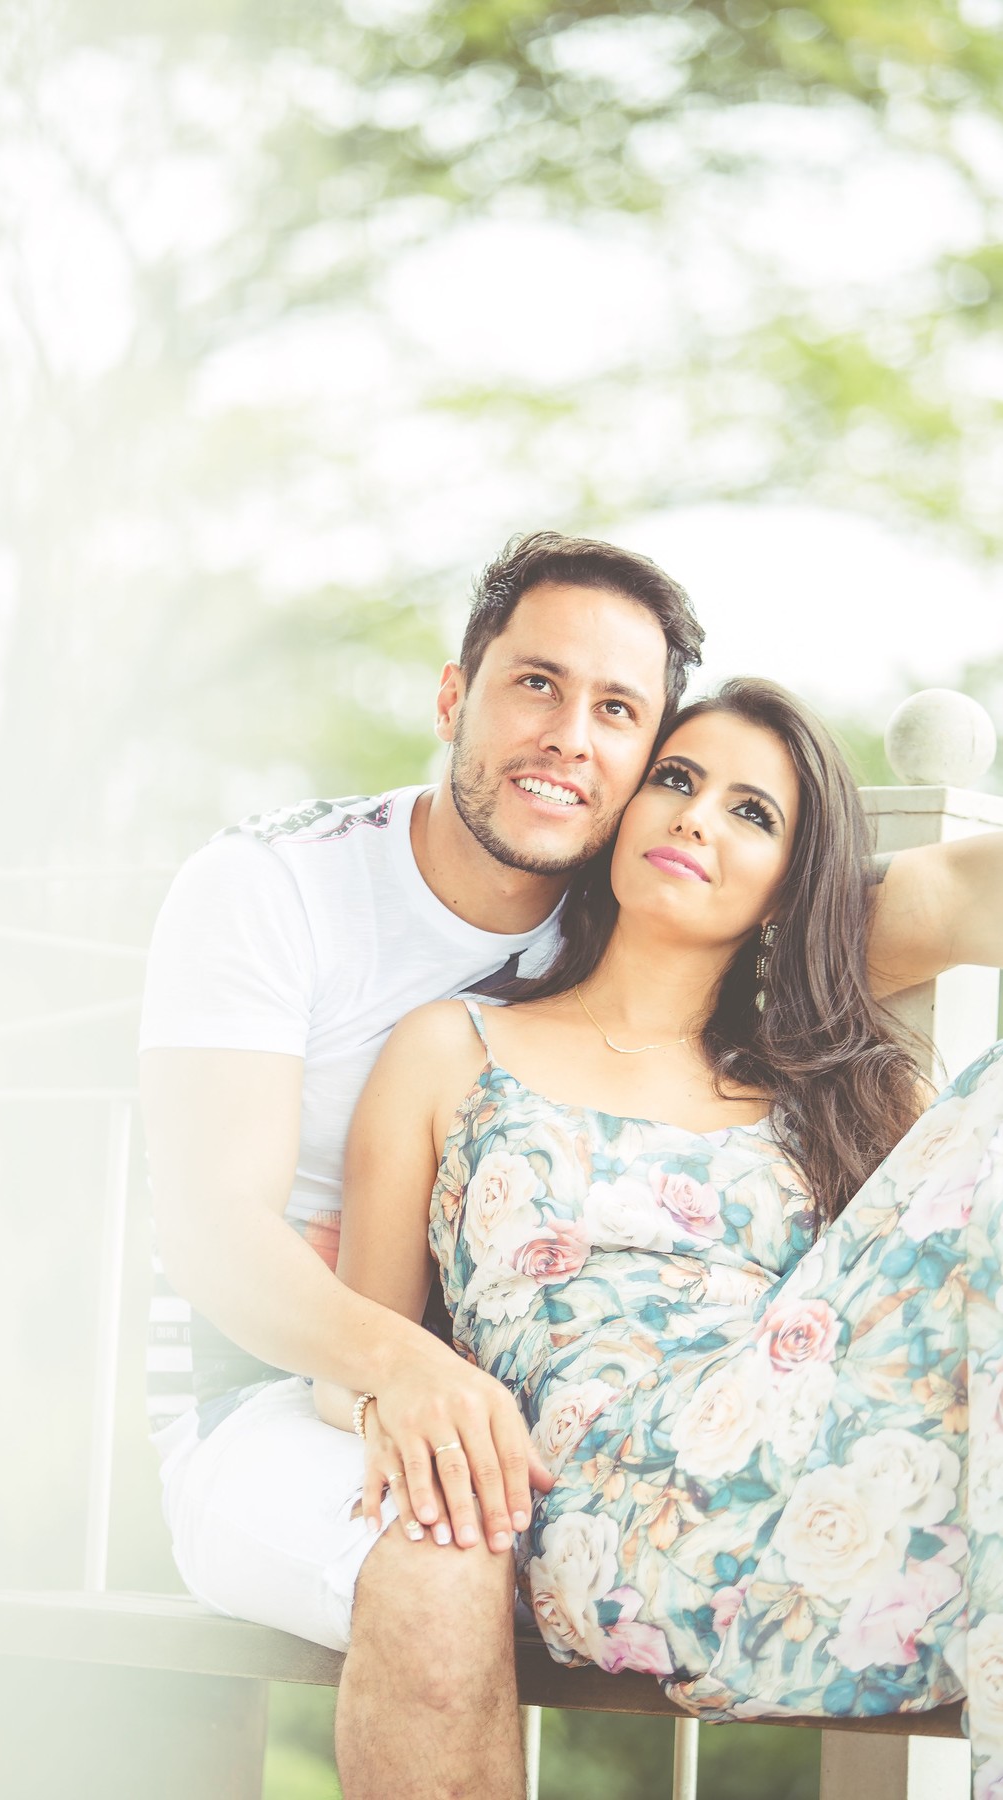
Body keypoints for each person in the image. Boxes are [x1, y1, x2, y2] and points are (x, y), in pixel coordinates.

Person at [139, 531, 999, 1800]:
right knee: (441, 1554)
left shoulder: (751, 995)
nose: (569, 740)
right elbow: (215, 1227)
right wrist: (406, 1371)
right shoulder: (292, 901)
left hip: (782, 1442)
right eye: (534, 683)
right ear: (453, 694)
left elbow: (956, 896)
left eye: (617, 713)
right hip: (316, 1399)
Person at [314, 677, 1003, 1795]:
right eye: (676, 781)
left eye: (750, 813)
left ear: (790, 887)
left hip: (819, 1489)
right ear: (624, 811)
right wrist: (397, 1399)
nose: (694, 818)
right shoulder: (452, 1048)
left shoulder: (826, 1096)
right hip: (608, 1518)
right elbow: (352, 1350)